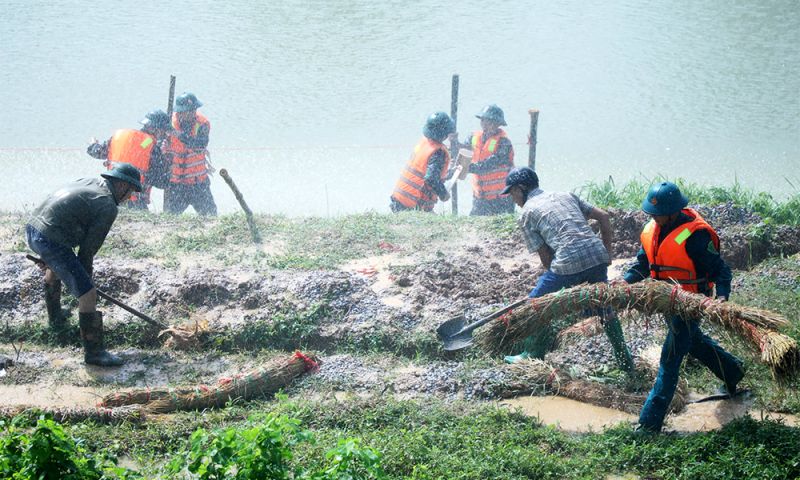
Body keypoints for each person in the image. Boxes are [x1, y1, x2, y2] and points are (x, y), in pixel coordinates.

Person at [624, 182, 744, 433]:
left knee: (670, 357)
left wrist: (721, 297)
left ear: (674, 211)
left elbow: (721, 270)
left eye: (657, 213)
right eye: (651, 213)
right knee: (694, 342)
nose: (652, 217)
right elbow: (642, 265)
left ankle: (649, 424)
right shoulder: (652, 230)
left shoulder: (695, 237)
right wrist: (623, 283)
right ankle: (733, 372)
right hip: (668, 301)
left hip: (690, 303)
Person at [501, 167, 634, 373]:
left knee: (534, 304)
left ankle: (531, 355)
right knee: (603, 307)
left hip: (568, 261)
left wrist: (561, 286)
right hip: (597, 256)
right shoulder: (564, 195)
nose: (512, 198)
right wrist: (606, 254)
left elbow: (546, 257)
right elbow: (604, 217)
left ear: (522, 188)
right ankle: (625, 361)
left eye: (512, 193)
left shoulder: (527, 213)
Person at [25, 163, 143, 367]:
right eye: (131, 192)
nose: (129, 198)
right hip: (51, 238)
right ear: (122, 185)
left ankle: (56, 318)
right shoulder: (107, 205)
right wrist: (84, 283)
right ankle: (94, 353)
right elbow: (87, 251)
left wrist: (52, 257)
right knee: (88, 294)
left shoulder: (90, 181)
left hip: (34, 229)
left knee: (57, 268)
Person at [87, 110, 172, 210]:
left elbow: (97, 152)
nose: (165, 134)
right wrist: (167, 160)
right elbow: (162, 182)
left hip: (111, 196)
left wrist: (93, 145)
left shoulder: (119, 137)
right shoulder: (153, 147)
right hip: (134, 201)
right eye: (164, 131)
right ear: (157, 130)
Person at [454, 104, 515, 215]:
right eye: (483, 120)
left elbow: (488, 165)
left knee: (501, 228)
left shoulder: (504, 143)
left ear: (498, 124)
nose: (485, 124)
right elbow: (462, 152)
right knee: (473, 225)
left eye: (490, 122)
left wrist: (467, 168)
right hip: (480, 197)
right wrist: (454, 143)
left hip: (502, 198)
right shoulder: (473, 137)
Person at [163, 92, 218, 216]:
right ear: (180, 112)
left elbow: (200, 144)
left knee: (211, 217)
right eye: (189, 110)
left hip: (198, 183)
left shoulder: (203, 123)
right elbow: (153, 143)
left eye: (194, 109)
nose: (192, 112)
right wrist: (163, 142)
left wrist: (178, 135)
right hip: (176, 184)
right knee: (169, 219)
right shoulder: (168, 124)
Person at [390, 112, 455, 212]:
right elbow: (431, 178)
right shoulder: (438, 152)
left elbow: (424, 172)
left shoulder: (424, 143)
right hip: (413, 205)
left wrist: (448, 174)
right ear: (445, 134)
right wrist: (443, 194)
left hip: (399, 200)